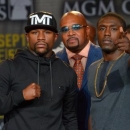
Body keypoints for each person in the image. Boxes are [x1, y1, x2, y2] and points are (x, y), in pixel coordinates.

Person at [0, 11, 78, 130]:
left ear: (55, 36)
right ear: (27, 37)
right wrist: (21, 96)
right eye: (35, 32)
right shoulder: (8, 67)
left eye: (47, 32)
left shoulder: (67, 72)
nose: (41, 37)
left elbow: (70, 118)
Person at [56, 11, 102, 130]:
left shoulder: (105, 57)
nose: (70, 33)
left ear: (87, 31)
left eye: (76, 27)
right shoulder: (54, 62)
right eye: (65, 29)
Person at [88, 12, 130, 130]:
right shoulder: (92, 68)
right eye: (102, 28)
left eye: (113, 28)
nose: (107, 33)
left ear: (123, 34)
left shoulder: (127, 62)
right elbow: (94, 110)